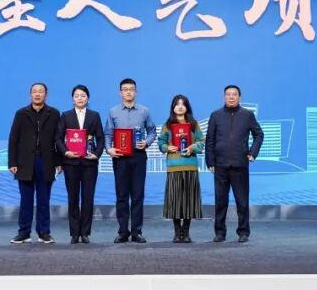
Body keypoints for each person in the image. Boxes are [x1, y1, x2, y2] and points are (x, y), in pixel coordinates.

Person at [205, 85, 263, 243]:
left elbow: (259, 134)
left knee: (242, 201)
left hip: (240, 164)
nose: (231, 97)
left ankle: (243, 232)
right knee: (220, 201)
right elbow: (210, 140)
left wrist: (252, 152)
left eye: (234, 94)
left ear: (239, 97)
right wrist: (210, 161)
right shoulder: (215, 115)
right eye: (228, 94)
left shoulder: (247, 115)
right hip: (220, 165)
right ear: (224, 97)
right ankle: (219, 233)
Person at [104, 77, 157, 243]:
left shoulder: (144, 111)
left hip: (138, 155)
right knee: (121, 195)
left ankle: (136, 231)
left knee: (137, 195)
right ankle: (122, 231)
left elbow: (152, 131)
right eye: (125, 89)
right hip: (120, 157)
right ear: (120, 92)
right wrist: (109, 149)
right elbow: (108, 133)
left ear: (136, 92)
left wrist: (146, 142)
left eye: (131, 89)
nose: (128, 92)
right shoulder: (113, 111)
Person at [7, 82, 61, 244]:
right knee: (26, 200)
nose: (37, 94)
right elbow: (13, 139)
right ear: (30, 94)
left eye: (41, 91)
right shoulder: (21, 114)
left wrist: (59, 162)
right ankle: (24, 233)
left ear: (46, 95)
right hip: (25, 163)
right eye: (34, 92)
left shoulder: (54, 113)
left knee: (44, 200)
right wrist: (12, 162)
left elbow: (58, 140)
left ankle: (44, 232)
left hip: (46, 162)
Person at [55, 84, 105, 244]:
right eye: (77, 96)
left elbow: (101, 138)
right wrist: (65, 152)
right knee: (73, 198)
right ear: (72, 99)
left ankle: (85, 233)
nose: (80, 98)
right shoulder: (65, 115)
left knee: (88, 198)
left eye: (83, 96)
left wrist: (96, 154)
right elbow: (58, 138)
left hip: (89, 163)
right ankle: (74, 233)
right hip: (71, 163)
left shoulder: (94, 116)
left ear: (88, 99)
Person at [157, 94, 205, 243]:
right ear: (173, 107)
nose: (180, 106)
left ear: (187, 107)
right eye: (177, 104)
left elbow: (201, 141)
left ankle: (187, 232)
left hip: (190, 167)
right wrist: (167, 147)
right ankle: (177, 233)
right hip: (174, 168)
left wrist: (192, 148)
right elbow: (161, 143)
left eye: (183, 104)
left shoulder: (194, 125)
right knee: (175, 201)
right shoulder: (167, 125)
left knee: (189, 200)